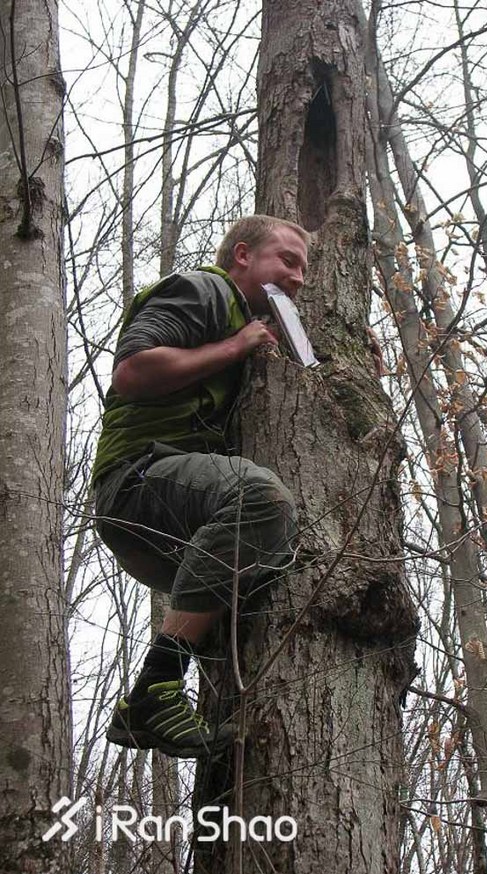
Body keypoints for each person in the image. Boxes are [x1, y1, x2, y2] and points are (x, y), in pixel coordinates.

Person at [92, 215, 309, 759]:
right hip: (138, 480)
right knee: (261, 499)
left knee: (266, 574)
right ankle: (155, 689)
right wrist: (236, 347)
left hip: (174, 528)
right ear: (242, 256)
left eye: (304, 268)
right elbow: (135, 371)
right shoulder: (205, 289)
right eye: (287, 260)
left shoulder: (243, 321)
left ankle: (167, 701)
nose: (299, 277)